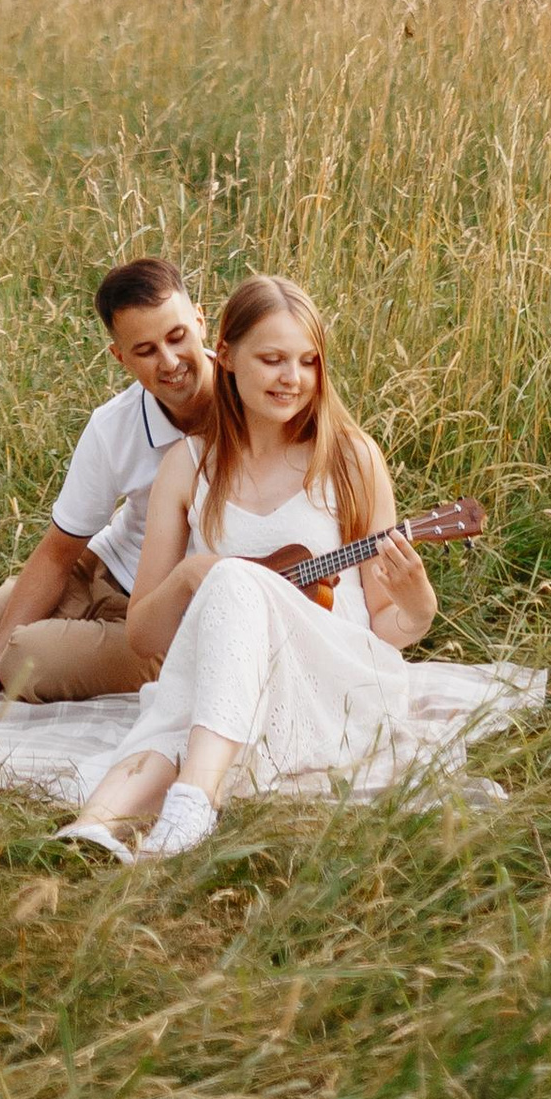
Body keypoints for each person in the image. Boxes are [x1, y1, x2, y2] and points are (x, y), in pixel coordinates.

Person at [55, 274, 437, 859]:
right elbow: (142, 636)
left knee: (232, 585)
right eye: (273, 359)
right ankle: (91, 829)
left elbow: (386, 628)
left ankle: (191, 802)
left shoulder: (352, 459)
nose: (293, 378)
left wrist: (417, 606)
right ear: (227, 355)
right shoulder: (187, 467)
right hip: (221, 686)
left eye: (308, 361)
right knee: (184, 691)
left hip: (330, 684)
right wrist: (188, 575)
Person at [0, 258, 215, 702]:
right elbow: (56, 555)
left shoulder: (254, 406)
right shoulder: (113, 426)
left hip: (163, 619)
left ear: (200, 321)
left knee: (24, 661)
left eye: (177, 336)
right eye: (145, 350)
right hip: (100, 568)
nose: (169, 362)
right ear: (120, 357)